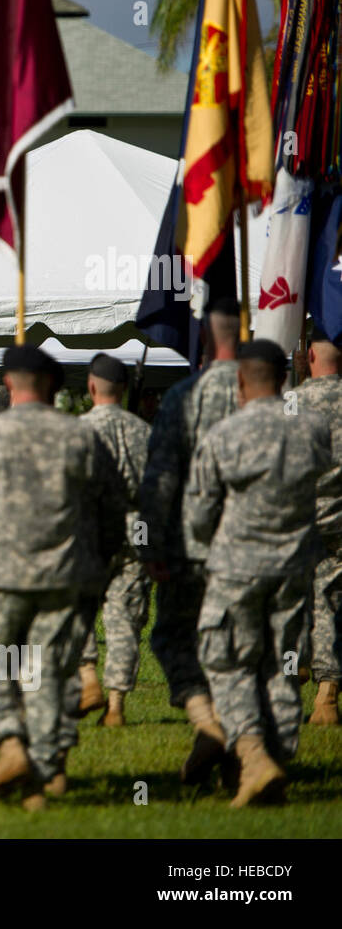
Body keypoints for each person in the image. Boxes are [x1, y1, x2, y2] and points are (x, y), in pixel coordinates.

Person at [0, 345, 123, 810]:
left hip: (2, 574)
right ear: (54, 387)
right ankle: (50, 770)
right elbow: (111, 514)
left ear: (8, 385)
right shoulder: (83, 437)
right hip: (70, 573)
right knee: (53, 670)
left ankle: (11, 748)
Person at [185, 339, 334, 806]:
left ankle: (252, 754)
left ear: (240, 382)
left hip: (236, 568)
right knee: (281, 663)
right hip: (294, 567)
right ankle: (279, 756)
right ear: (287, 377)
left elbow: (198, 513)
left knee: (227, 661)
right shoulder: (312, 428)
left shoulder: (226, 434)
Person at [137, 297, 241, 783]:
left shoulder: (185, 396)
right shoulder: (263, 392)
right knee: (246, 648)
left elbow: (159, 481)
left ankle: (208, 720)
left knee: (175, 637)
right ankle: (248, 753)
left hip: (194, 549)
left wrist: (153, 547)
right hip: (259, 549)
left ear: (203, 338)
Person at [75, 353, 154, 726]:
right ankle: (117, 705)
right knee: (125, 622)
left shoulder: (78, 431)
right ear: (123, 390)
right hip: (135, 532)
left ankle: (88, 673)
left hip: (91, 532)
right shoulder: (144, 432)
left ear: (91, 387)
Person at [292, 326, 342, 725]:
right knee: (333, 599)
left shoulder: (292, 403)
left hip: (300, 520)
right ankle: (327, 695)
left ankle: (297, 665)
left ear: (310, 357)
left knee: (294, 598)